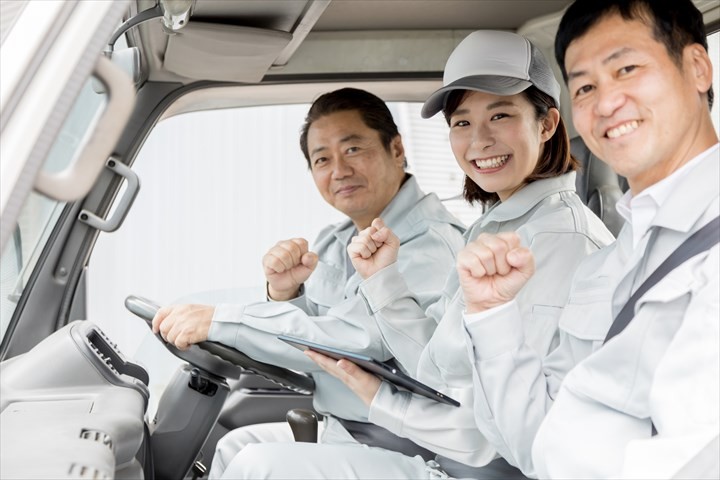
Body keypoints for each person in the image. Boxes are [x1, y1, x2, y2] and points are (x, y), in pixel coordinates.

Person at [221, 30, 614, 479]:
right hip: (443, 449)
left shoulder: (560, 243)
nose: (479, 140)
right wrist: (382, 280)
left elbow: (496, 430)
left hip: (483, 467)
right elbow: (439, 367)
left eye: (500, 115)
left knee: (258, 465)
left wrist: (379, 398)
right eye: (461, 123)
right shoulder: (498, 227)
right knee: (240, 450)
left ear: (546, 124)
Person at [457, 1, 719, 478]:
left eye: (627, 69)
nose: (606, 102)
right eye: (585, 86)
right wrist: (492, 315)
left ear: (697, 68)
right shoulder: (610, 264)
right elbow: (535, 444)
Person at [151, 87, 466, 478]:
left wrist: (223, 322)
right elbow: (311, 336)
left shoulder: (432, 244)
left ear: (397, 149)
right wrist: (287, 294)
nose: (338, 170)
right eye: (322, 159)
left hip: (418, 446)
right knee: (236, 447)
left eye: (352, 149)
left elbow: (354, 339)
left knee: (256, 464)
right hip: (348, 430)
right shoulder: (333, 243)